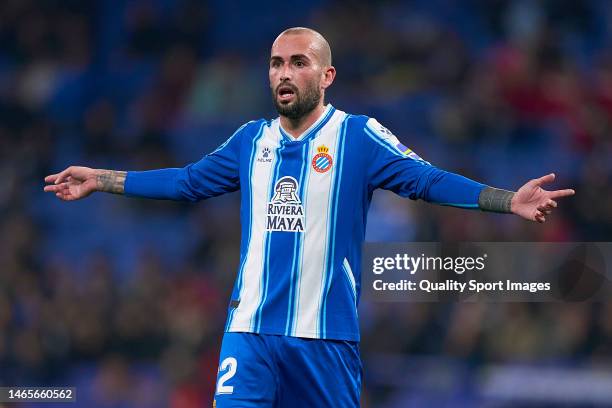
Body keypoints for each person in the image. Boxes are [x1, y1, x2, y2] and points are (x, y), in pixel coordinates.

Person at [44, 27, 575, 407]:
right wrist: (104, 178)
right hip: (248, 334)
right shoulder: (250, 140)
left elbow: (428, 179)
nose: (284, 73)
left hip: (324, 338)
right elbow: (187, 182)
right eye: (276, 63)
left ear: (327, 74)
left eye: (298, 62)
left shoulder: (358, 135)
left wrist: (508, 199)